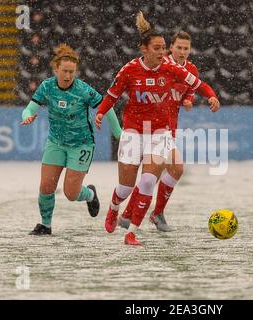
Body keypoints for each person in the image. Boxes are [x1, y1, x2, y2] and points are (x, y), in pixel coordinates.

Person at [95, 12, 219, 245]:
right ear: (144, 49)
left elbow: (198, 84)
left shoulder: (171, 69)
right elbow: (112, 94)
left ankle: (131, 231)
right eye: (158, 48)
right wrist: (101, 112)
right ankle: (113, 208)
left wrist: (211, 96)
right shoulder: (129, 70)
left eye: (164, 48)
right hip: (133, 131)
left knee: (149, 180)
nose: (163, 53)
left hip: (160, 132)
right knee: (125, 186)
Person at [21, 44, 122, 235]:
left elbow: (106, 107)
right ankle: (46, 224)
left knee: (71, 193)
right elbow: (31, 107)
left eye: (72, 72)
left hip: (81, 144)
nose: (68, 75)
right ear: (56, 69)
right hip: (56, 142)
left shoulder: (83, 90)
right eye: (64, 71)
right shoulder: (47, 86)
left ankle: (90, 194)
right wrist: (27, 115)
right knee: (46, 186)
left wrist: (118, 133)